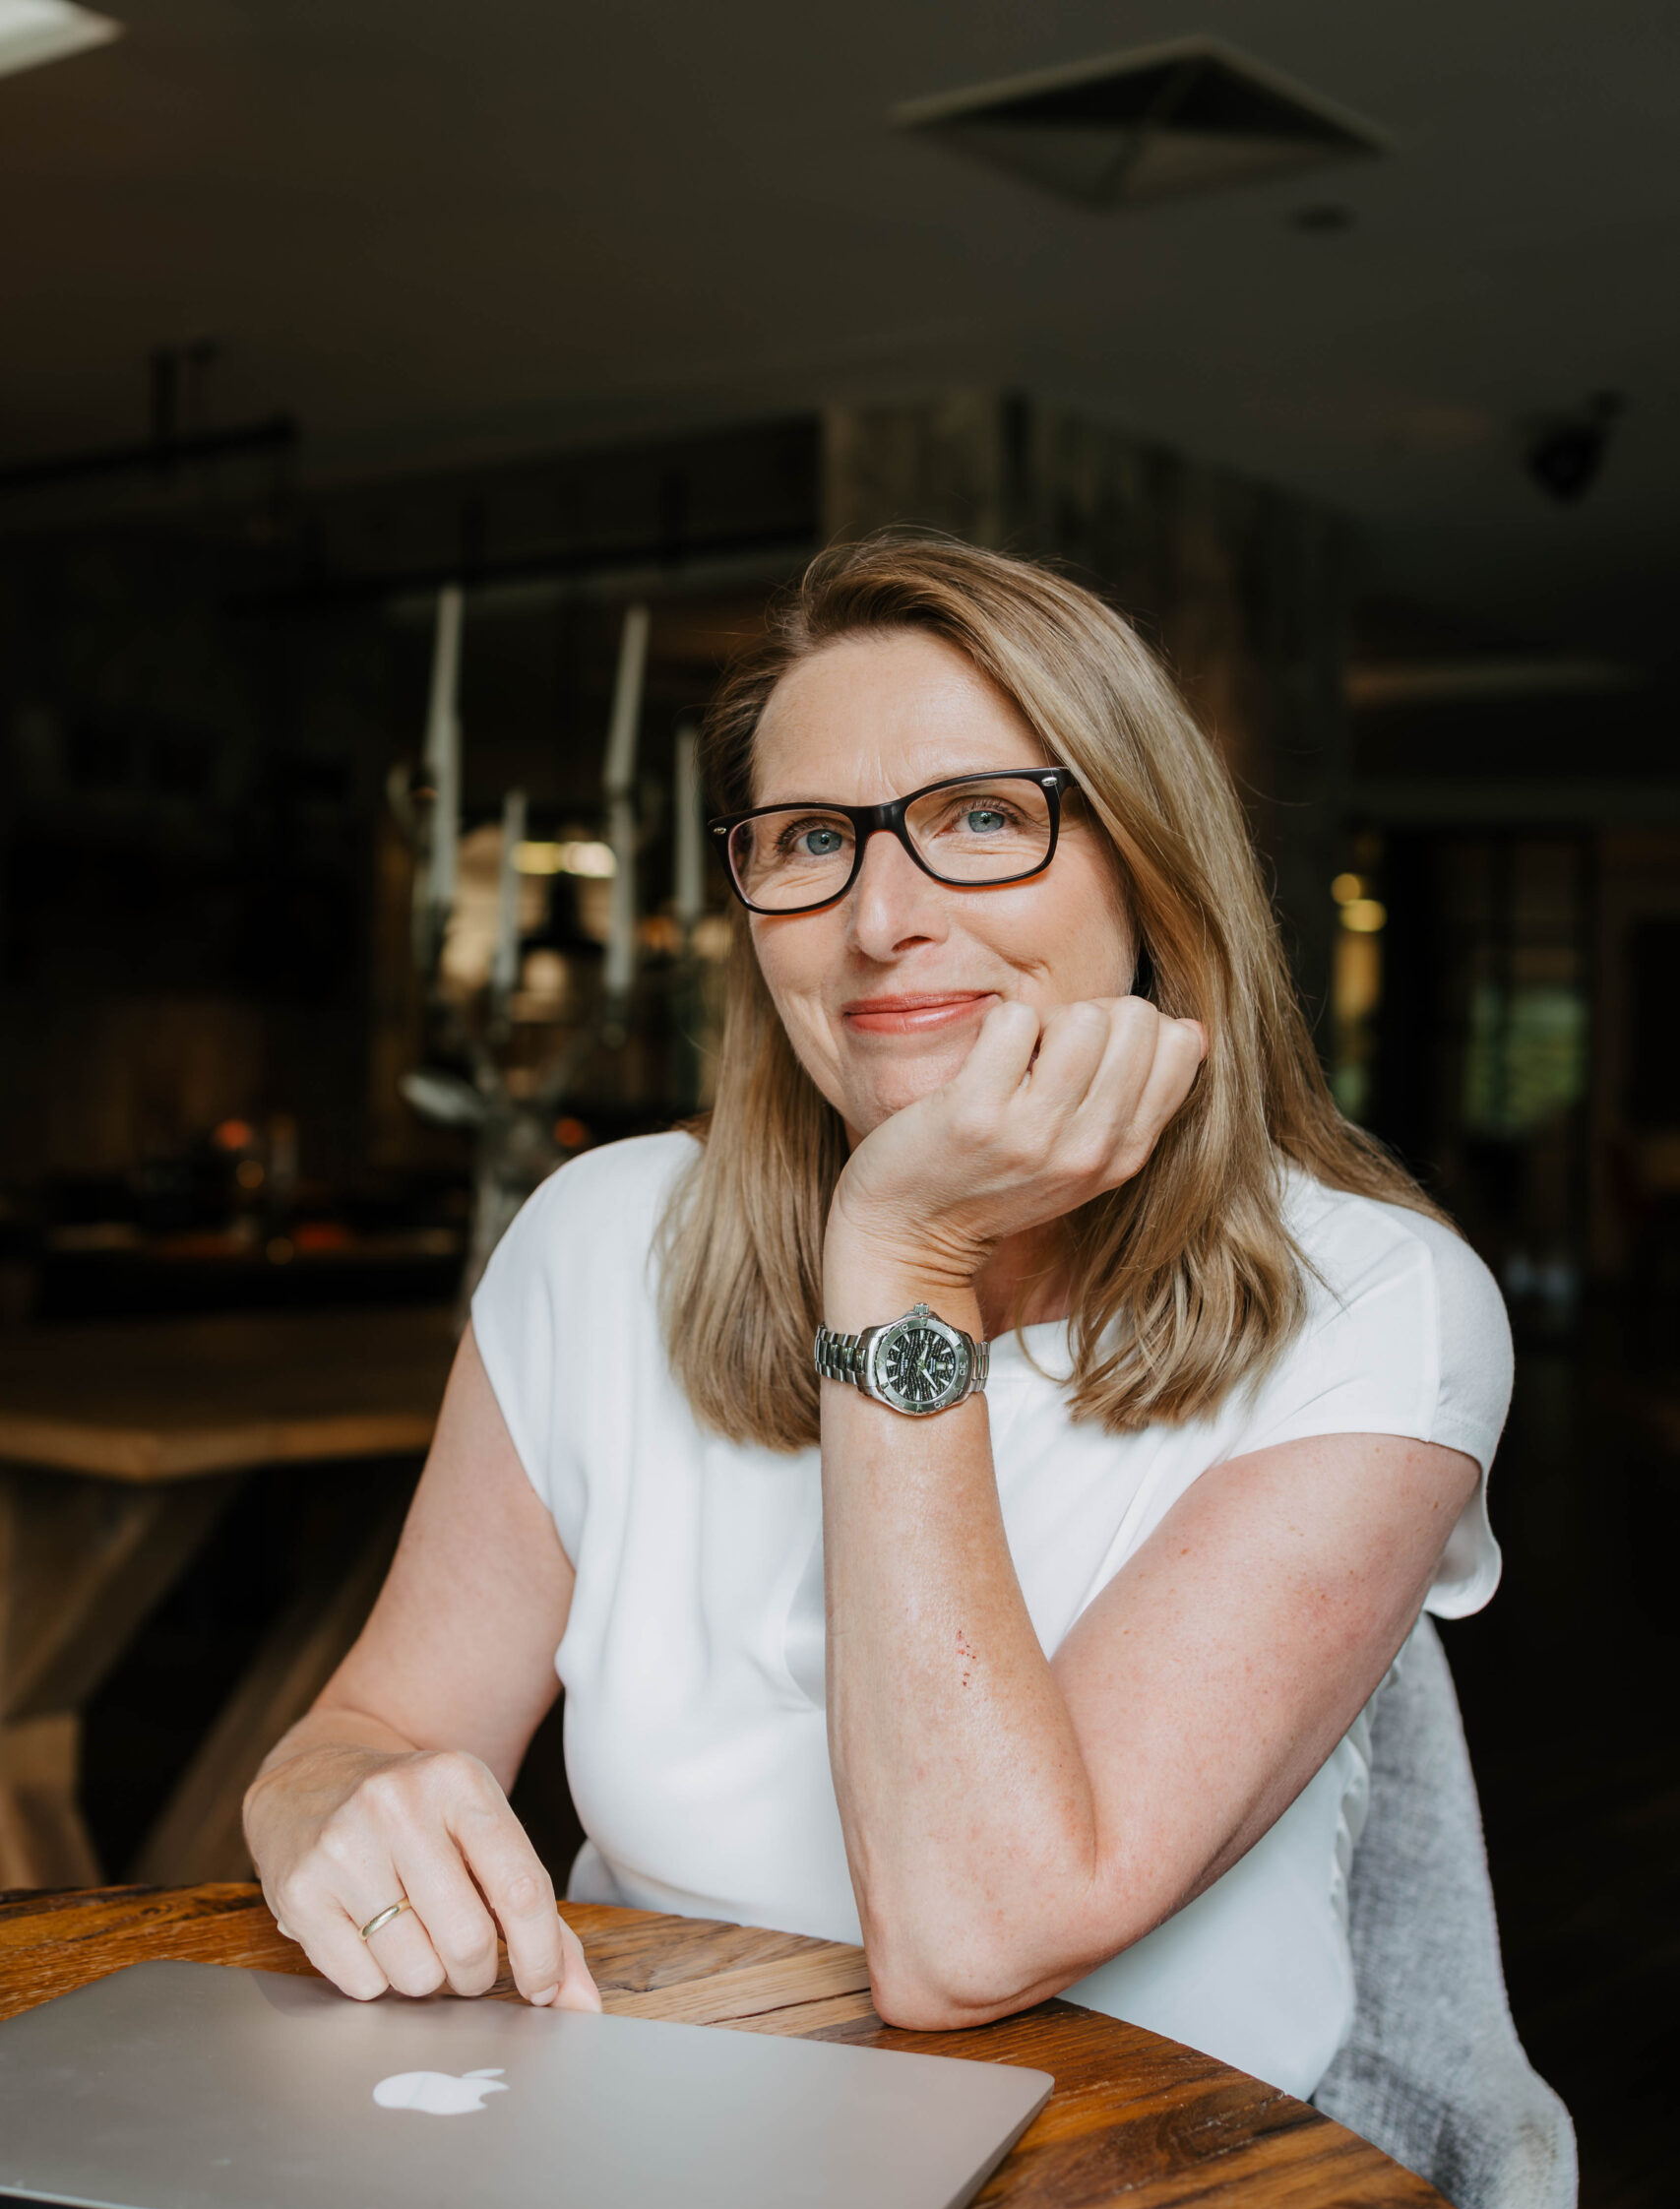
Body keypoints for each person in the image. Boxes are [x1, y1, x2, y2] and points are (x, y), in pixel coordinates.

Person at [244, 536, 1511, 2103]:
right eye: (808, 839)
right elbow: (373, 1721)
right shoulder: (603, 1238)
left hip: (1135, 2192)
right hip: (621, 2134)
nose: (880, 915)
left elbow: (974, 1940)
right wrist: (322, 1802)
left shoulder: (1377, 1307)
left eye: (981, 818)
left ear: (1150, 869)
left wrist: (904, 1254)